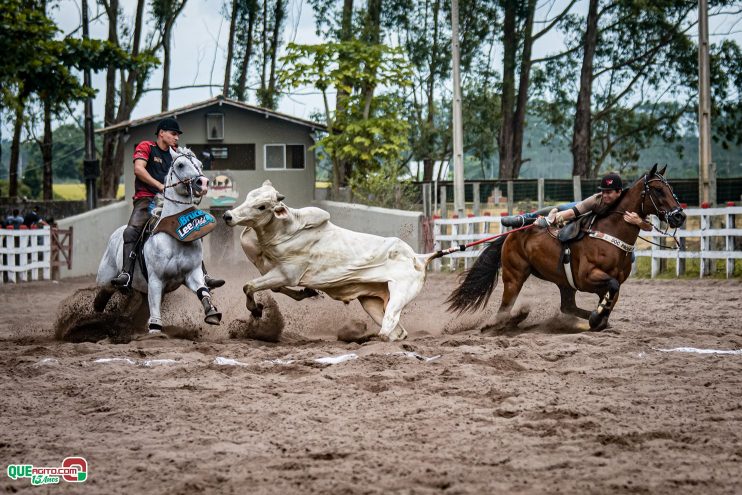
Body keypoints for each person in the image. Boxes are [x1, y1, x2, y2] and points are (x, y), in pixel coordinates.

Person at [110, 117, 225, 289]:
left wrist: (198, 186)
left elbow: (189, 174)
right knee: (131, 231)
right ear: (161, 133)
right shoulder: (146, 147)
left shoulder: (177, 154)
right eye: (173, 134)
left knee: (194, 228)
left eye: (178, 135)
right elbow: (138, 169)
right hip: (147, 199)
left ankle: (204, 276)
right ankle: (126, 274)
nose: (176, 138)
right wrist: (159, 186)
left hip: (174, 202)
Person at [500, 172, 653, 232]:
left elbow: (649, 228)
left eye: (609, 192)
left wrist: (639, 221)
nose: (605, 195)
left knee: (631, 257)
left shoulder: (627, 204)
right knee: (557, 208)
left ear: (619, 192)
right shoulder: (596, 199)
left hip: (606, 229)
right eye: (603, 191)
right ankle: (524, 219)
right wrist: (552, 219)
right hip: (586, 209)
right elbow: (572, 212)